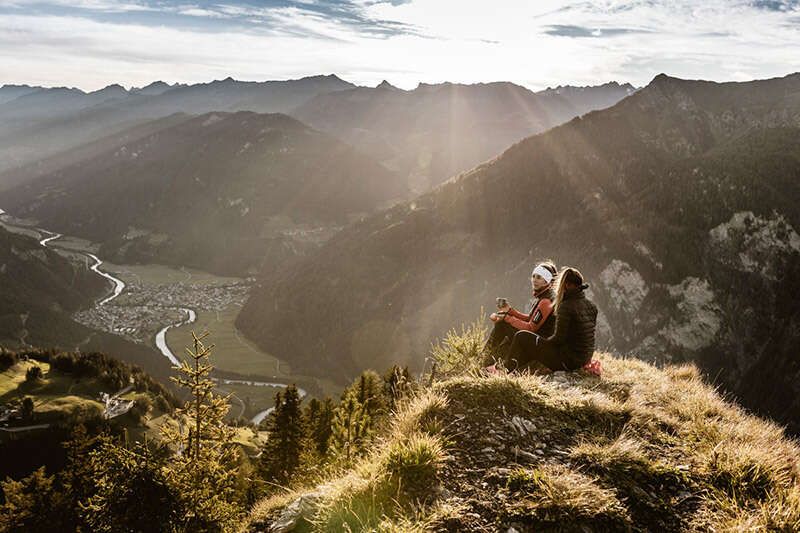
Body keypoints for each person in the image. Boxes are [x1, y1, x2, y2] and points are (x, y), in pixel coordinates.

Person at [502, 266, 598, 373]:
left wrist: (540, 343)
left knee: (521, 336)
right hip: (584, 359)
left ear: (567, 285)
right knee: (534, 343)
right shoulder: (591, 306)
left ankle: (504, 370)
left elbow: (558, 339)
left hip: (567, 362)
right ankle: (514, 368)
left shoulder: (565, 306)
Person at [482, 261, 557, 373]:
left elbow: (531, 327)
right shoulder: (545, 296)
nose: (534, 280)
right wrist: (510, 311)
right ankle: (487, 356)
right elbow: (529, 319)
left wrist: (507, 318)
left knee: (502, 325)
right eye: (533, 276)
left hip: (538, 343)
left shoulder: (545, 301)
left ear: (547, 281)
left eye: (539, 277)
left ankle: (485, 356)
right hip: (538, 339)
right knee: (503, 323)